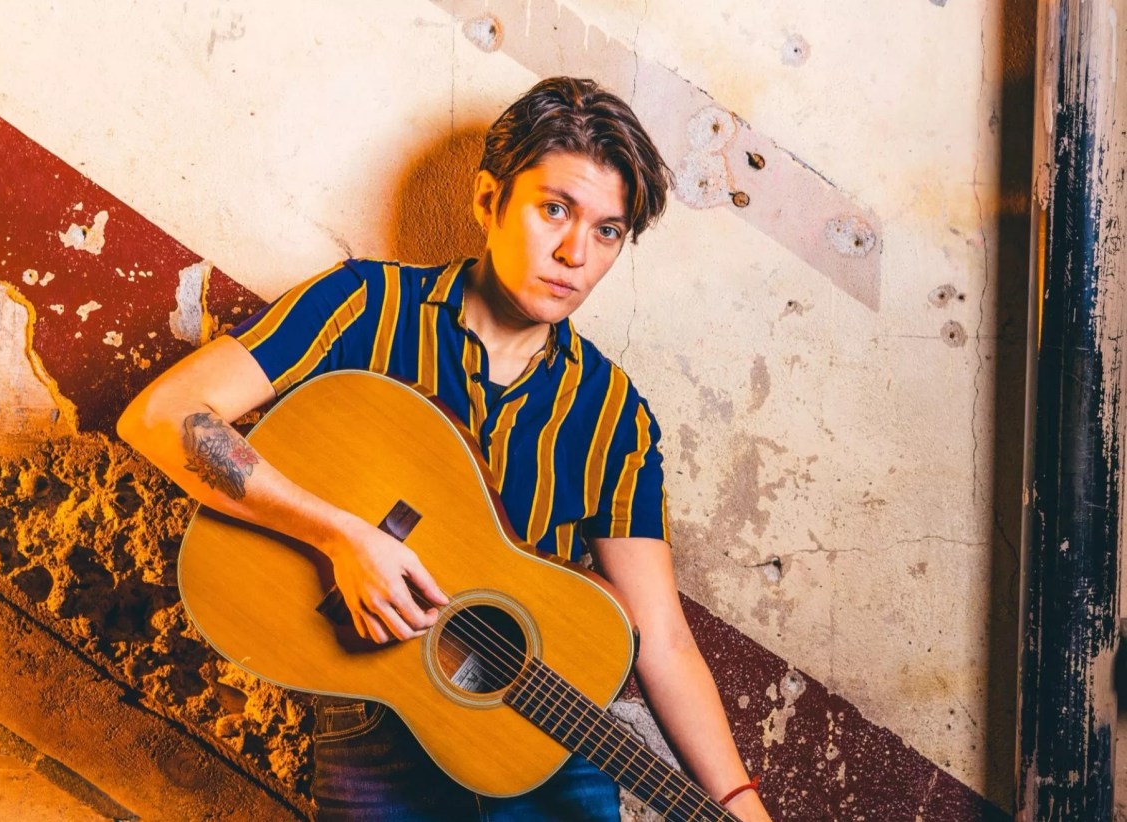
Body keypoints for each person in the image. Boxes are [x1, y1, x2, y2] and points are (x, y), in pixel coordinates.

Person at [118, 76, 771, 822]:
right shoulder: (366, 305)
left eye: (607, 231)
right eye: (554, 209)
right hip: (381, 719)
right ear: (489, 201)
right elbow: (163, 416)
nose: (574, 253)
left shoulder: (615, 415)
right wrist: (341, 537)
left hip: (551, 739)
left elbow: (665, 641)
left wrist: (739, 805)